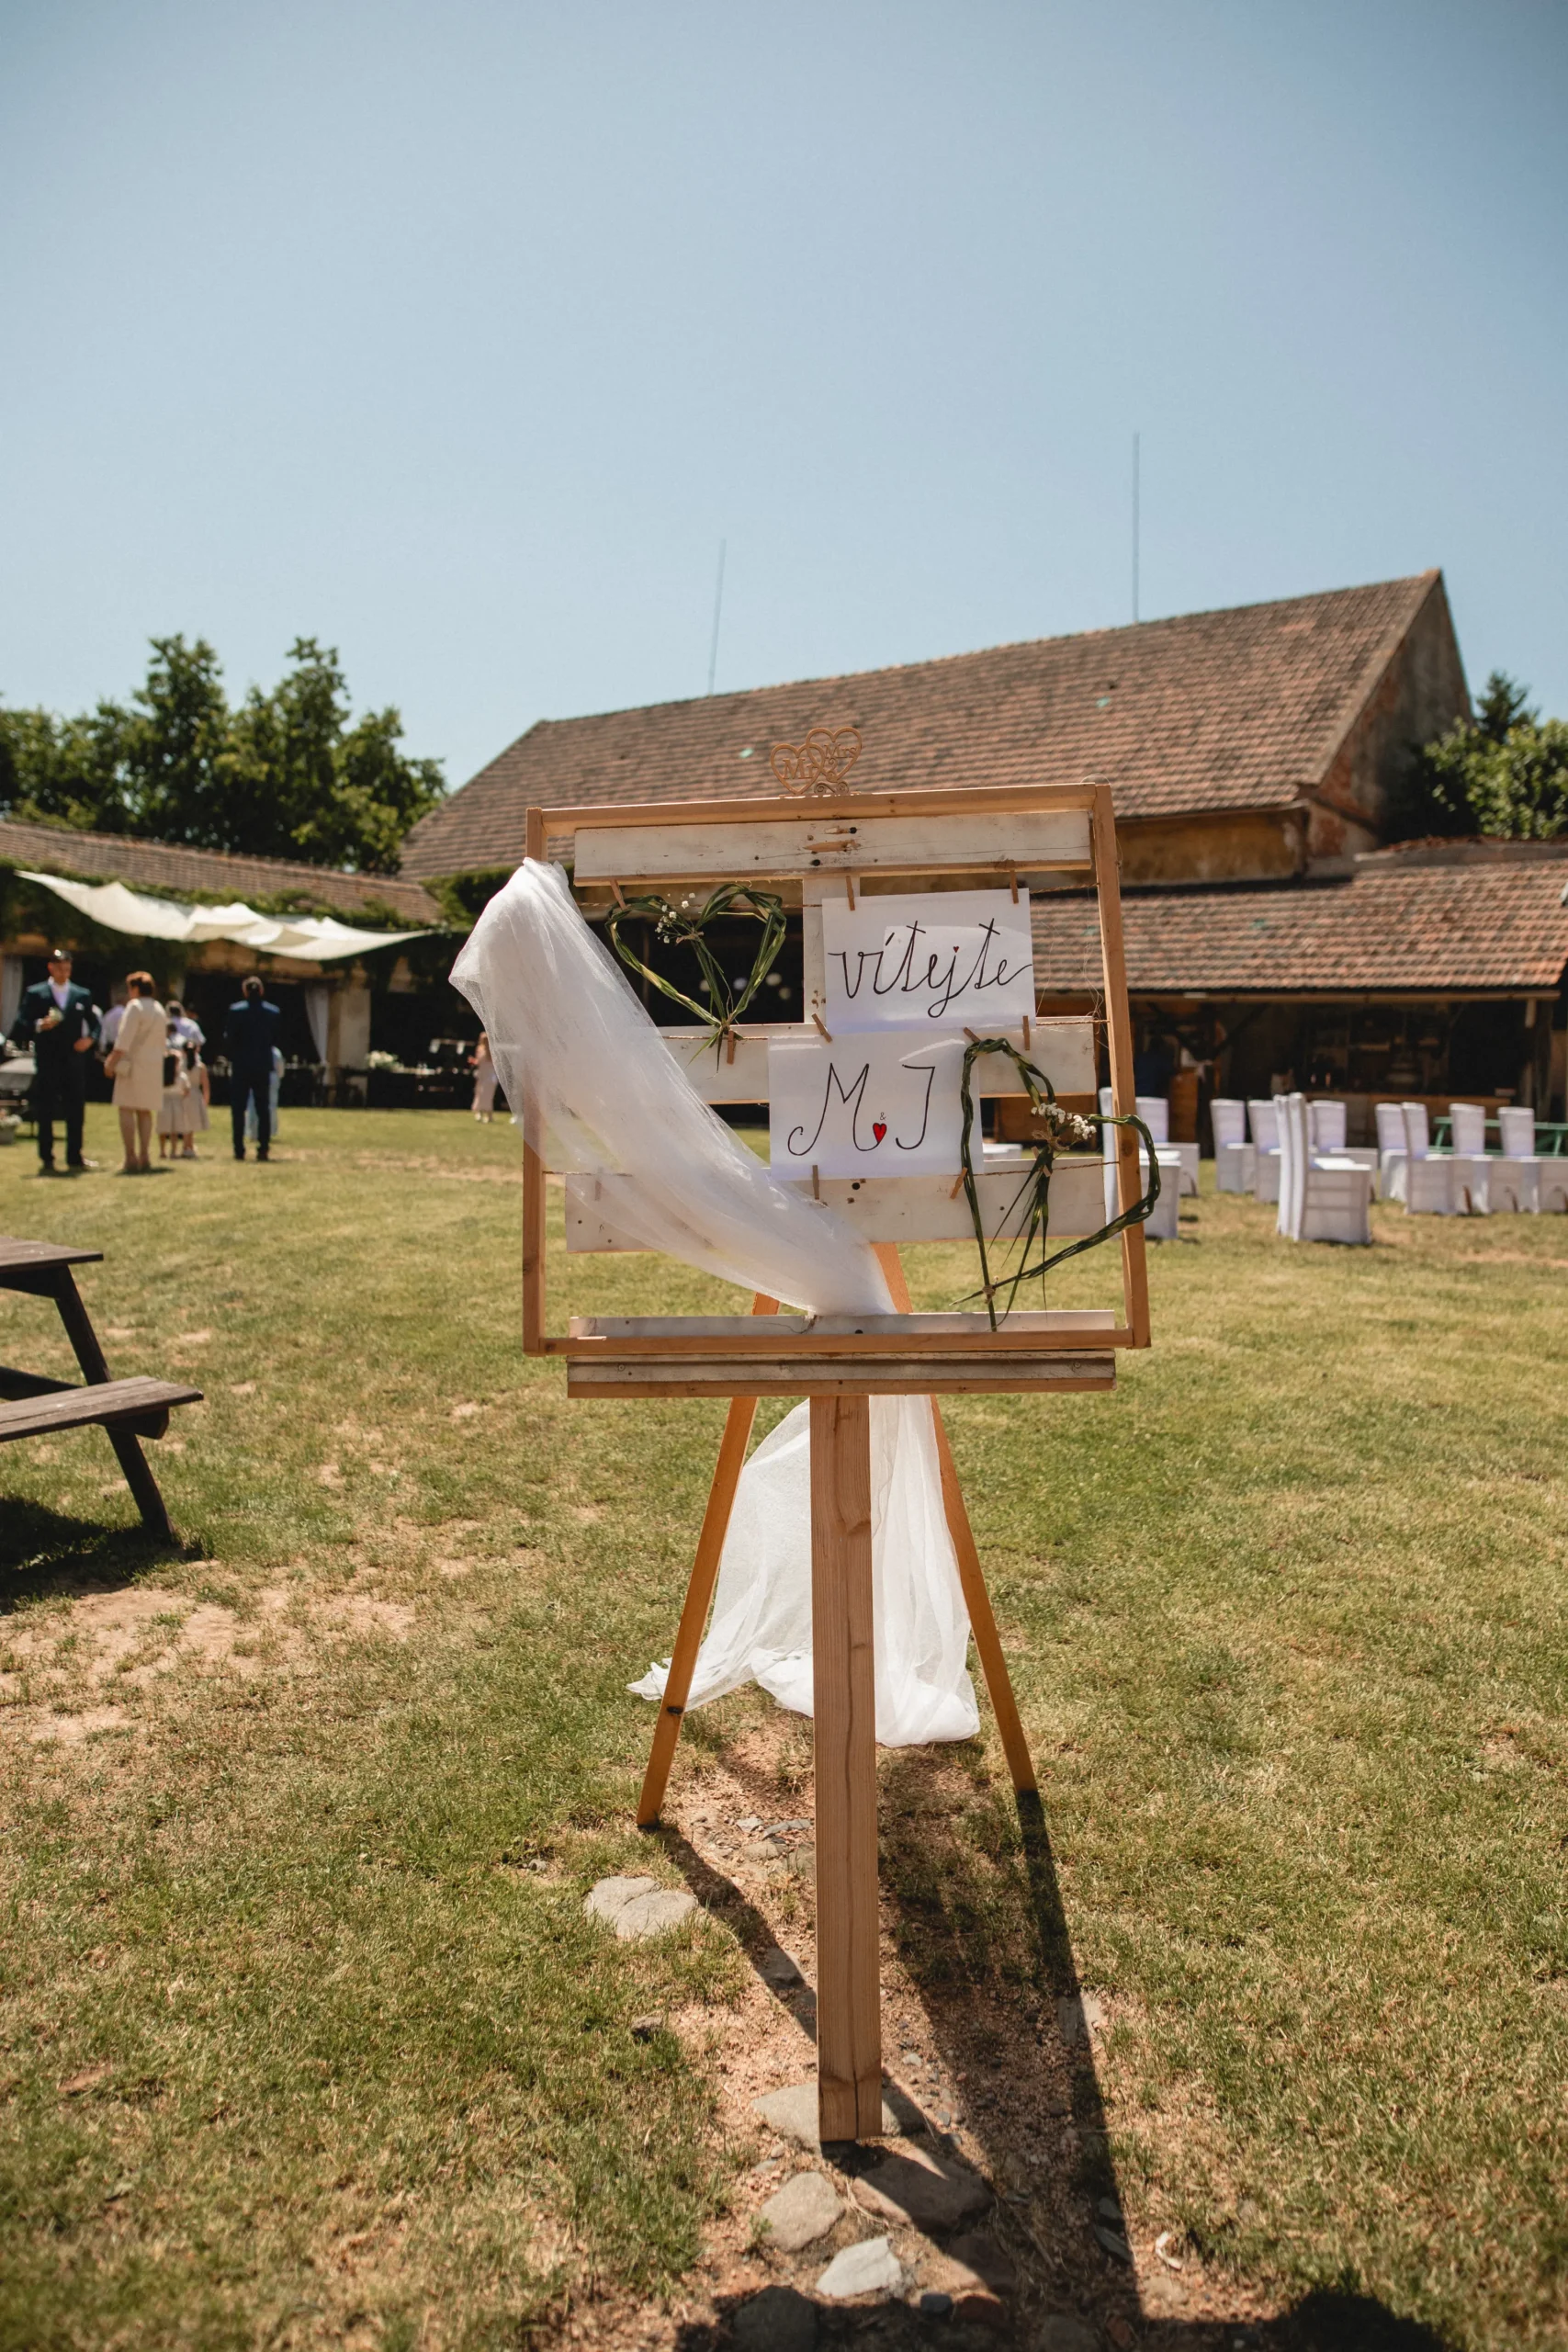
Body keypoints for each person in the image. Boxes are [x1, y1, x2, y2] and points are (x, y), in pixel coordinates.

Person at [8, 947, 100, 1175]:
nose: (63, 972)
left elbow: (95, 1023)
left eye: (67, 968)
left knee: (75, 1109)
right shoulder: (36, 993)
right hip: (48, 1059)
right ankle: (47, 1157)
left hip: (73, 1060)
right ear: (51, 967)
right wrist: (40, 1025)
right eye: (59, 968)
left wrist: (89, 1039)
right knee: (46, 1108)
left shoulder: (81, 994)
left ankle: (75, 1155)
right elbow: (22, 1022)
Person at [105, 971, 165, 1174]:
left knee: (127, 1108)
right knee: (145, 1110)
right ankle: (145, 1155)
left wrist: (111, 1061)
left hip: (133, 1064)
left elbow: (124, 1039)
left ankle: (131, 1156)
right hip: (153, 1064)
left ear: (136, 988)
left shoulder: (135, 1007)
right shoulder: (159, 1009)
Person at [224, 976, 282, 1161]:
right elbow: (276, 1038)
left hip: (241, 1065)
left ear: (245, 991)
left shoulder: (236, 1011)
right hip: (262, 1065)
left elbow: (229, 1038)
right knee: (263, 1108)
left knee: (238, 1109)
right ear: (261, 991)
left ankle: (238, 1148)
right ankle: (263, 1148)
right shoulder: (272, 1012)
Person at [156, 1022, 190, 1161]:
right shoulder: (181, 1076)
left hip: (164, 1101)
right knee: (174, 1130)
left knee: (163, 1129)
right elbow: (186, 1090)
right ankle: (173, 1151)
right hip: (176, 1101)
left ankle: (163, 1151)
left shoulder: (161, 1077)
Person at [177, 1038, 210, 1159]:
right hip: (195, 1095)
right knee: (191, 1123)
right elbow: (205, 1086)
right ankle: (188, 1146)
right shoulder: (201, 1067)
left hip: (182, 1095)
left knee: (186, 1122)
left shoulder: (179, 1065)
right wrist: (206, 1100)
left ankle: (187, 1146)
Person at [470, 1031, 498, 1121]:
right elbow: (478, 1062)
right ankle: (479, 1113)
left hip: (490, 1075)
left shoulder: (492, 1050)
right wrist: (473, 1061)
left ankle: (489, 1115)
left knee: (488, 1095)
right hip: (482, 1074)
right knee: (479, 1093)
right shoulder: (479, 1049)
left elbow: (492, 1061)